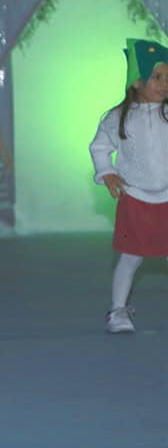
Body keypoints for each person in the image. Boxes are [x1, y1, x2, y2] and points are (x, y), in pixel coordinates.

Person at [89, 38, 168, 333]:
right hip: (135, 198)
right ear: (137, 81)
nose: (164, 83)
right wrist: (106, 171)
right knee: (131, 257)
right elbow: (99, 147)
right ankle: (118, 311)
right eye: (157, 77)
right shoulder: (118, 118)